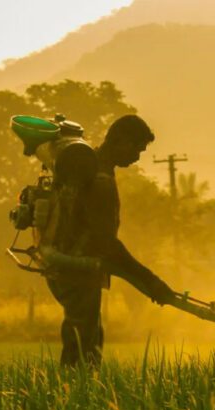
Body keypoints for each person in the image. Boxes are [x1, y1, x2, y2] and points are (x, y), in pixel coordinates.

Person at [46, 114, 174, 367]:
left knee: (85, 341)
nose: (137, 157)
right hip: (80, 269)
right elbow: (108, 246)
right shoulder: (99, 180)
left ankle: (68, 397)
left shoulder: (88, 166)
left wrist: (146, 282)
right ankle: (68, 400)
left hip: (64, 266)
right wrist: (151, 281)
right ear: (120, 140)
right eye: (136, 148)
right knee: (83, 351)